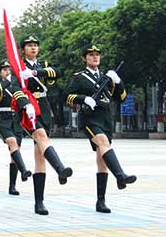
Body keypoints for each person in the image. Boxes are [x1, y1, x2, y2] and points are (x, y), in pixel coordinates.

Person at [63, 44, 136, 214]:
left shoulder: (106, 78)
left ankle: (101, 201)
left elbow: (121, 98)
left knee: (102, 159)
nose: (95, 57)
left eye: (97, 55)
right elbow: (66, 96)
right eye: (91, 55)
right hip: (89, 118)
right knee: (102, 142)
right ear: (84, 58)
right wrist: (83, 99)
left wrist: (118, 82)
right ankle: (120, 176)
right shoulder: (79, 77)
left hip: (105, 118)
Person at [10, 35, 73, 215]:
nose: (33, 48)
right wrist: (25, 105)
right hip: (28, 110)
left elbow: (58, 72)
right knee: (41, 137)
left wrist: (37, 73)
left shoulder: (43, 65)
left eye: (35, 46)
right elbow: (15, 90)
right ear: (23, 49)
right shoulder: (19, 67)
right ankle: (60, 168)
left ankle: (39, 202)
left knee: (40, 156)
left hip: (44, 109)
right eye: (29, 46)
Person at [0, 60, 31, 195]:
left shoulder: (17, 85)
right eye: (4, 70)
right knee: (12, 143)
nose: (7, 71)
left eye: (9, 69)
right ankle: (23, 169)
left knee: (15, 151)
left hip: (16, 119)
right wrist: (9, 80)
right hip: (4, 120)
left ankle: (12, 185)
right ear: (0, 73)